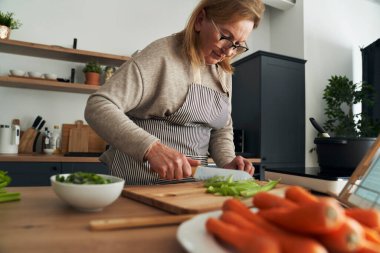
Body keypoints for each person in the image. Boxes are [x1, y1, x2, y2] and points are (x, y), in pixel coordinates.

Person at [84, 0, 265, 185]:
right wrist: (151, 149)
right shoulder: (161, 55)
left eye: (238, 45)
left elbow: (221, 128)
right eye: (225, 36)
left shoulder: (223, 71)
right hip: (139, 185)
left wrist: (227, 161)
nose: (228, 51)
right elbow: (98, 106)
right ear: (200, 20)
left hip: (189, 188)